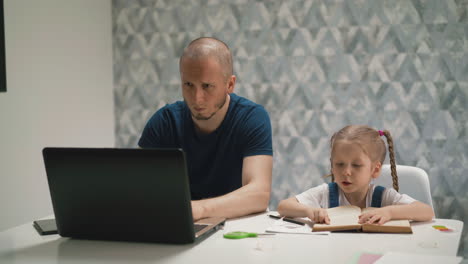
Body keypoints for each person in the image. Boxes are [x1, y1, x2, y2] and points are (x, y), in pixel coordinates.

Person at [138, 37, 273, 221]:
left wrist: (198, 210)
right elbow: (139, 190)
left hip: (234, 226)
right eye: (188, 85)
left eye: (207, 86)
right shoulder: (164, 121)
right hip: (179, 224)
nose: (197, 98)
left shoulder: (252, 118)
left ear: (230, 85)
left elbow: (259, 194)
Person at [277, 125, 434, 224]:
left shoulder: (384, 197)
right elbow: (283, 207)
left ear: (375, 169)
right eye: (339, 164)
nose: (346, 172)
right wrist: (309, 211)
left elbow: (426, 211)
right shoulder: (325, 193)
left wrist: (389, 212)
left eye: (357, 165)